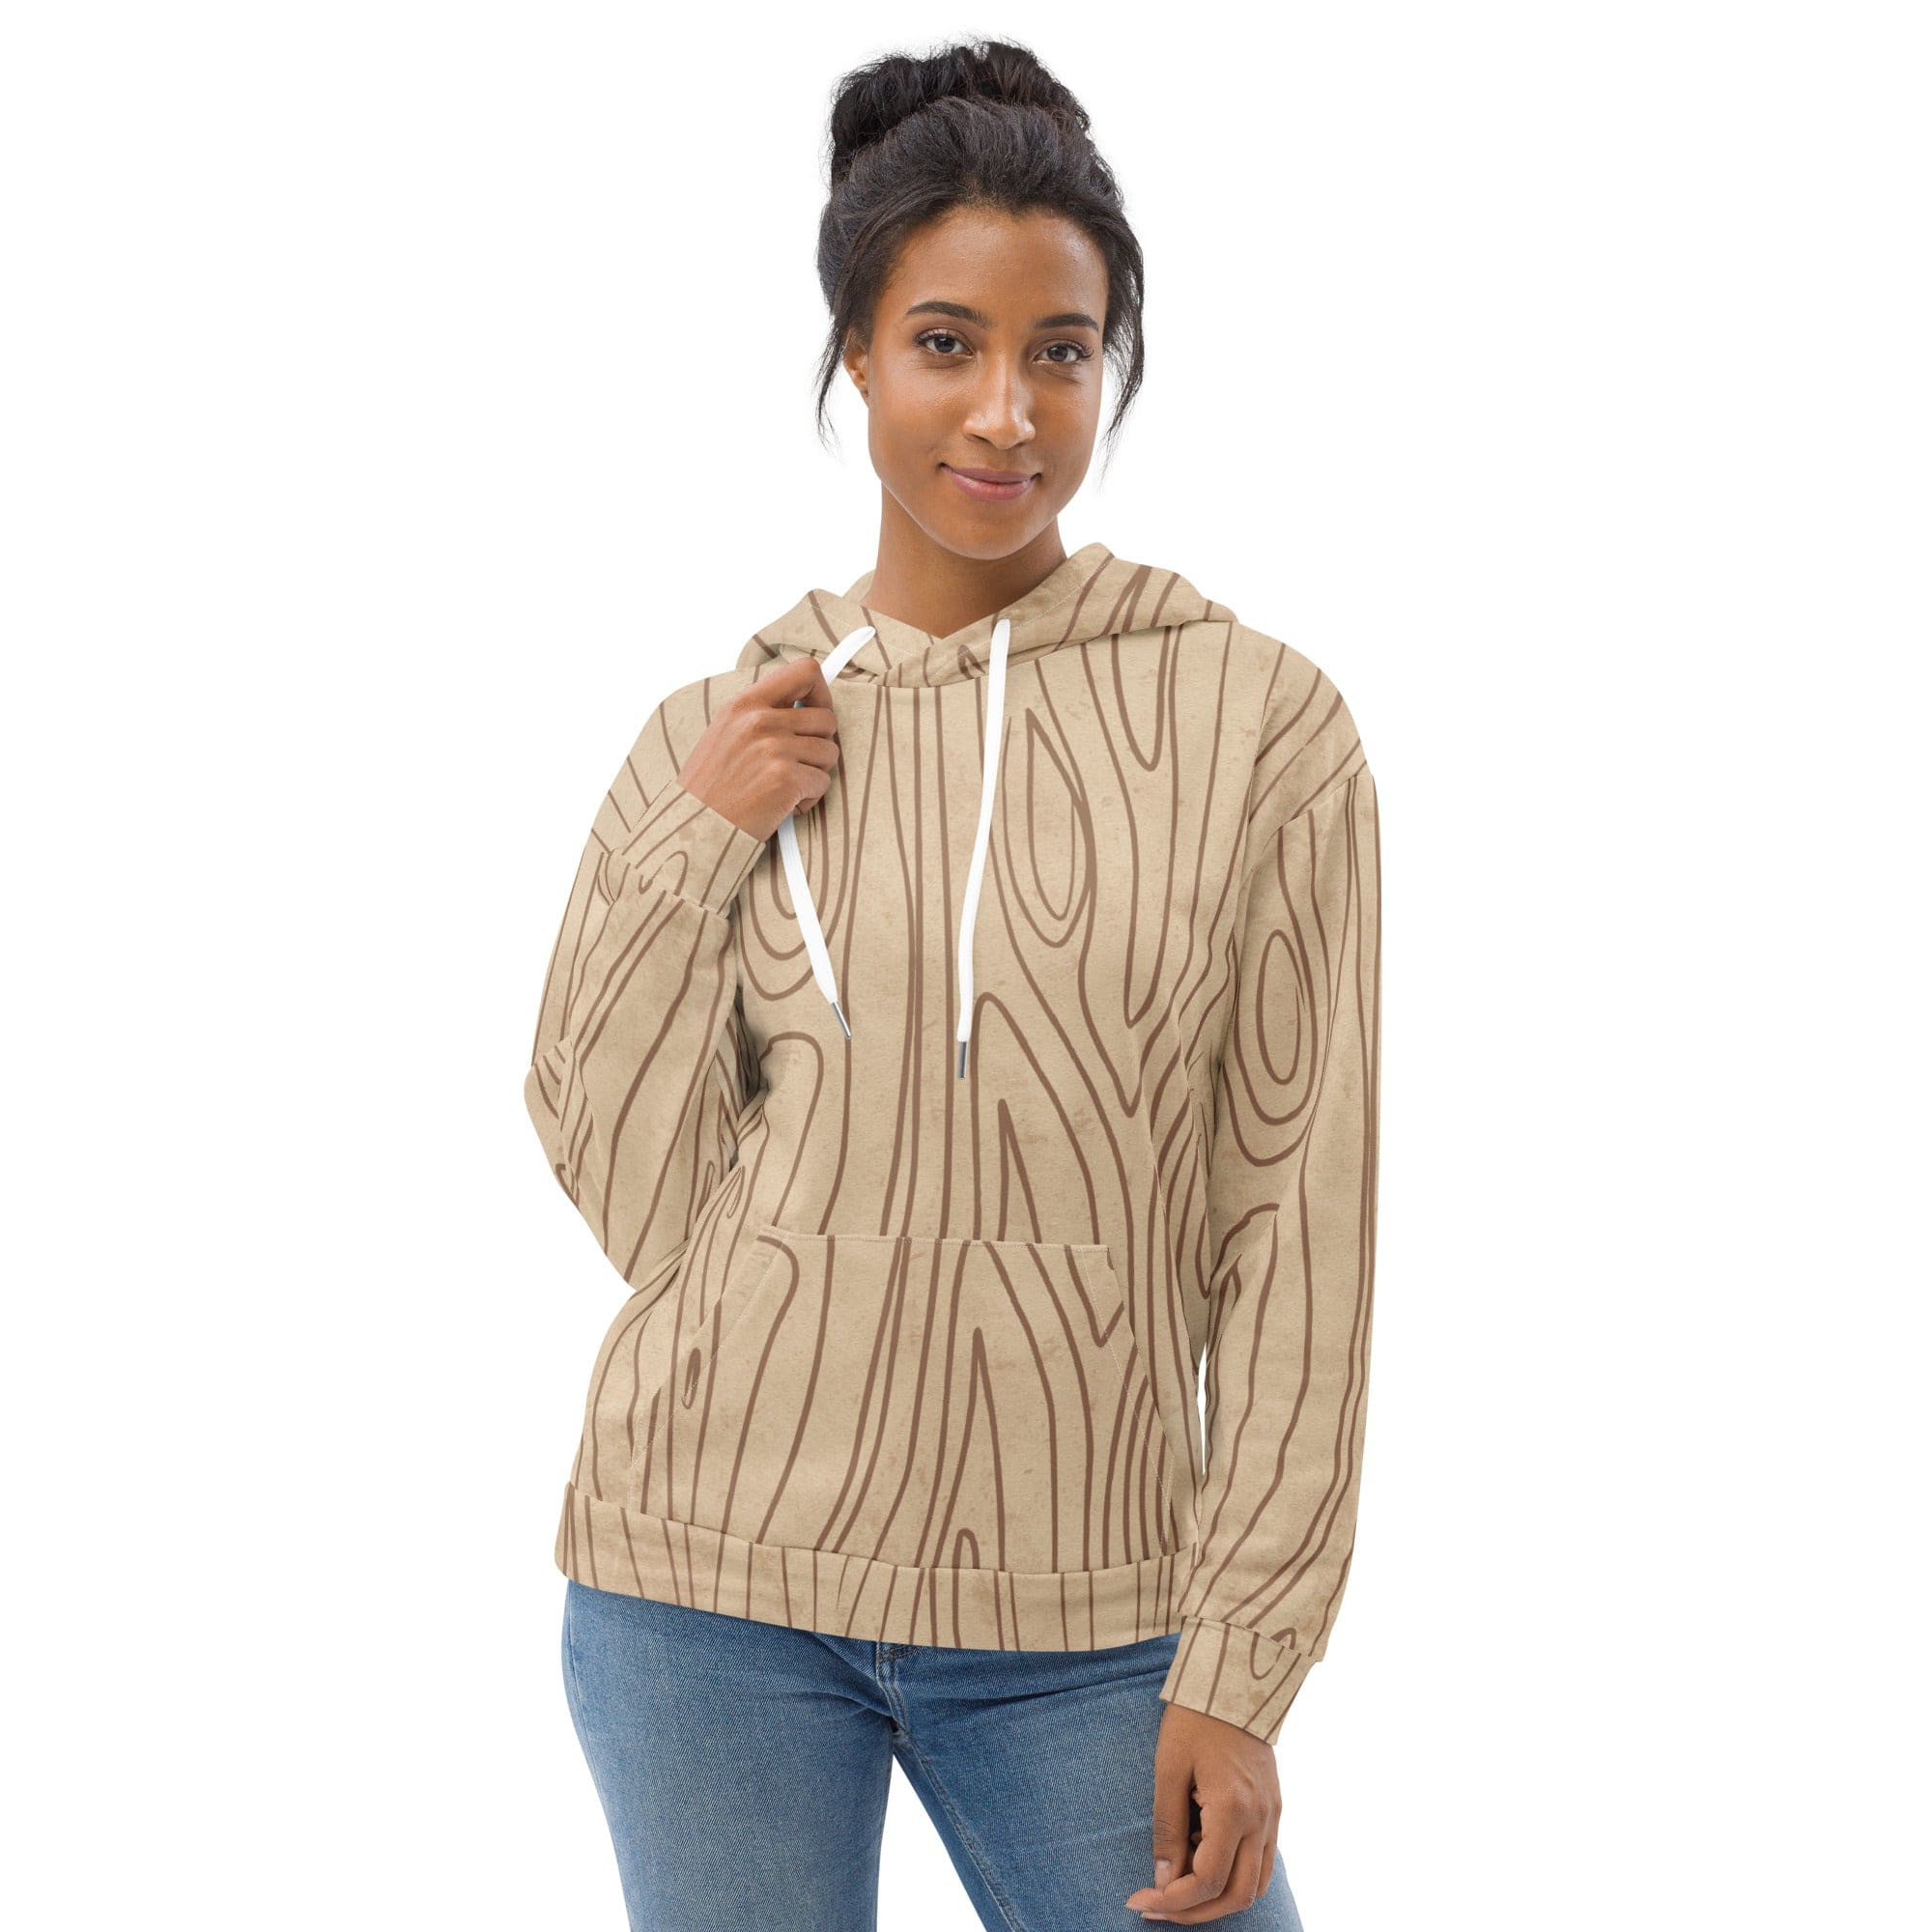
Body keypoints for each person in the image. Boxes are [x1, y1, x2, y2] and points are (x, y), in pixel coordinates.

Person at [523, 38, 1381, 1932]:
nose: (1005, 411)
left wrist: (1245, 1659)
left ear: (1109, 364)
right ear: (855, 353)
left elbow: (1296, 1223)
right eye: (943, 343)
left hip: (1091, 1621)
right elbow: (643, 1198)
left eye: (1058, 351)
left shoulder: (1259, 728)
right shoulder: (721, 731)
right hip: (703, 1593)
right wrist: (694, 840)